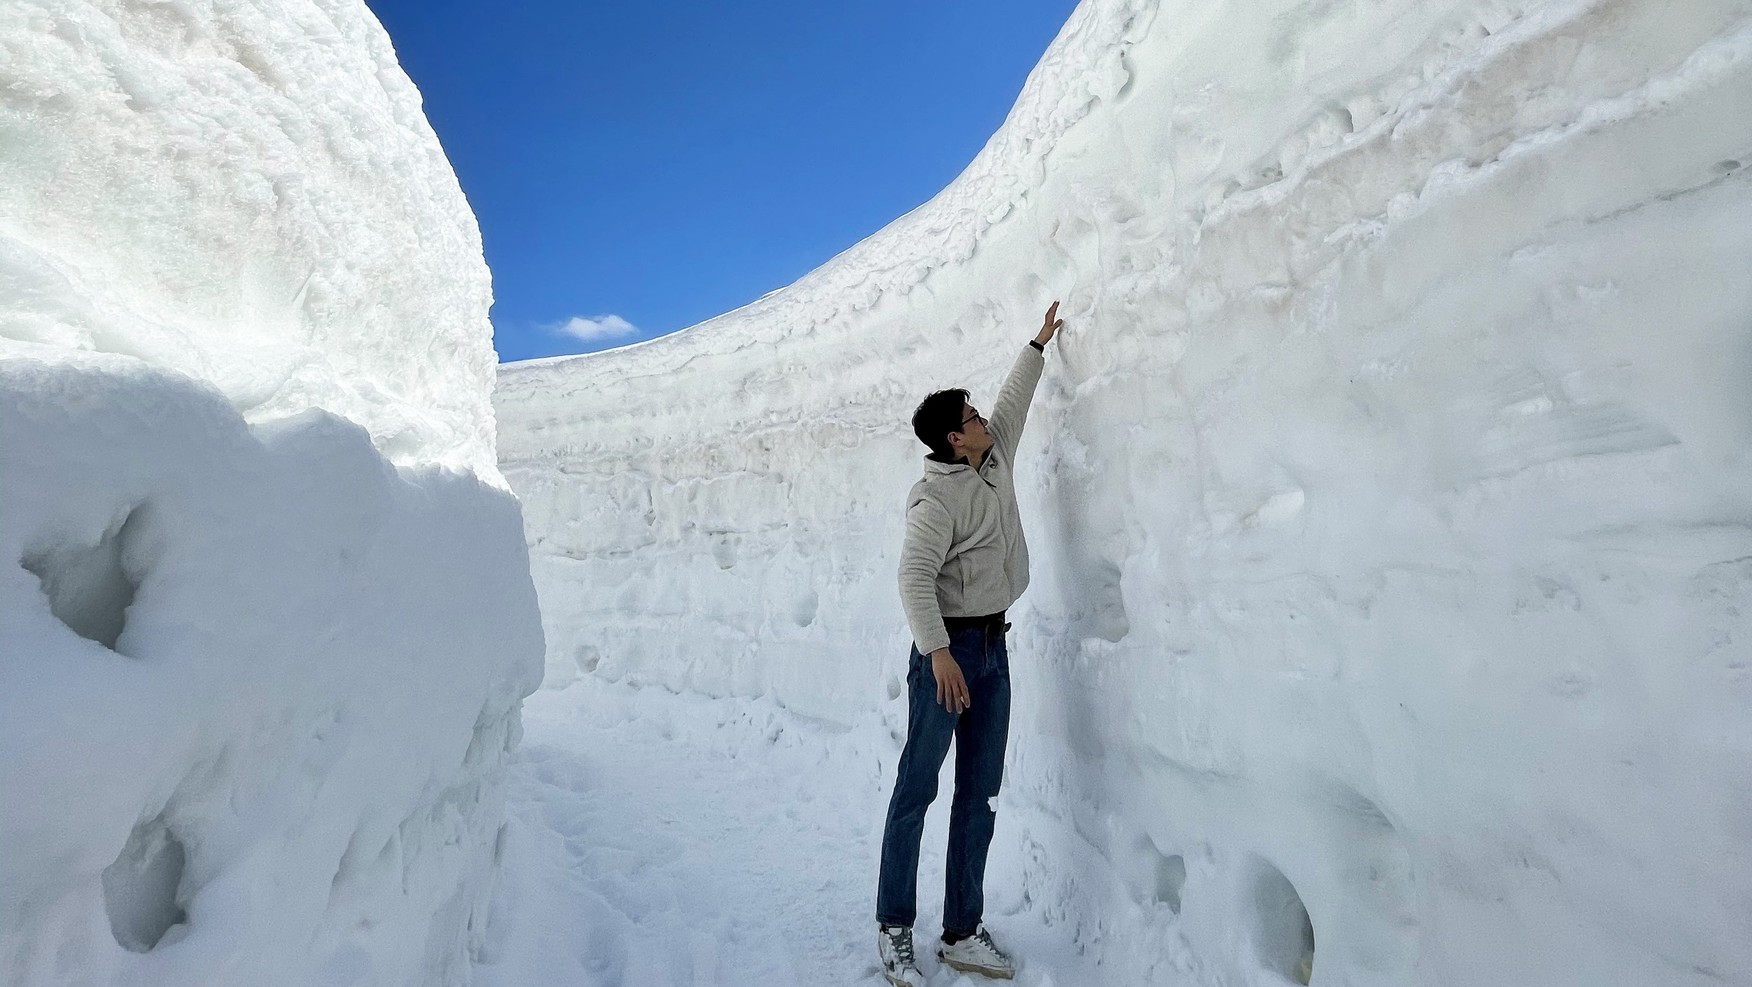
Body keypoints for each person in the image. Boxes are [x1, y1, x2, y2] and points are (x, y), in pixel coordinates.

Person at [875, 300, 1064, 985]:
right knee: (917, 788)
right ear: (956, 440)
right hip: (948, 659)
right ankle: (895, 927)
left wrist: (1037, 343)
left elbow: (1015, 399)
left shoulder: (995, 456)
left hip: (994, 651)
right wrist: (939, 652)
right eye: (973, 418)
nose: (985, 419)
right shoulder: (937, 499)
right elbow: (913, 575)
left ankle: (960, 930)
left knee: (977, 794)